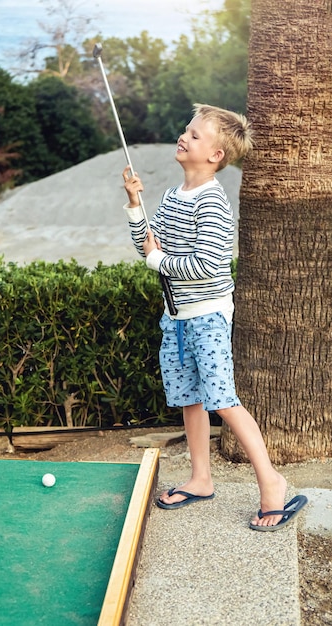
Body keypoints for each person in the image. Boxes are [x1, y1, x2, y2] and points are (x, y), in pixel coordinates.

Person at [121, 103, 307, 531]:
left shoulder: (213, 202)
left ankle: (272, 482)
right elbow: (148, 246)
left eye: (195, 135)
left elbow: (207, 264)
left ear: (215, 156)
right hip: (177, 316)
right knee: (190, 398)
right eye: (187, 130)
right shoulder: (171, 197)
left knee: (222, 399)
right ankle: (201, 478)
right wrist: (135, 206)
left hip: (207, 316)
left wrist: (157, 261)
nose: (184, 136)